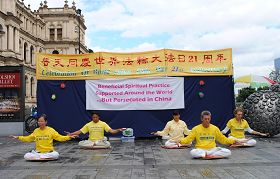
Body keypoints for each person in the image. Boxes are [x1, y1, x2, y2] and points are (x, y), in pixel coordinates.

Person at [176, 111, 243, 159]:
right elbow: (188, 139)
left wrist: (233, 141)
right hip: (201, 149)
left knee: (228, 152)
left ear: (210, 119)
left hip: (212, 149)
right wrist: (180, 141)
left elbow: (223, 139)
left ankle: (207, 155)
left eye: (208, 119)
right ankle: (210, 155)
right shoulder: (196, 128)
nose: (207, 120)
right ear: (202, 119)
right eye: (205, 119)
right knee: (192, 152)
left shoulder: (215, 128)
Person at [10, 114, 76, 160]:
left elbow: (60, 137)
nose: (40, 123)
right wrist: (18, 137)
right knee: (26, 156)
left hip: (48, 152)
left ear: (46, 122)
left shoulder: (51, 130)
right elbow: (28, 138)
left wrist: (68, 137)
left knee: (56, 154)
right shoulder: (36, 131)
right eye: (39, 121)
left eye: (42, 121)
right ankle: (42, 157)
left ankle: (42, 157)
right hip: (38, 153)